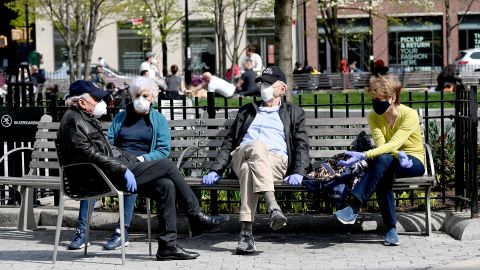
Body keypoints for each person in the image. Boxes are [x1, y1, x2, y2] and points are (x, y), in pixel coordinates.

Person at [58, 80, 229, 260]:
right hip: (99, 176)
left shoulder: (84, 118)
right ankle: (196, 216)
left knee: (165, 185)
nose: (101, 103)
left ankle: (167, 246)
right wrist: (123, 168)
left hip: (109, 170)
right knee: (167, 165)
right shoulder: (74, 121)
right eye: (96, 98)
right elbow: (92, 155)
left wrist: (132, 160)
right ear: (82, 102)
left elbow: (108, 148)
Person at [202, 66, 310, 254]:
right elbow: (229, 141)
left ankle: (246, 233)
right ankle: (272, 205)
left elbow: (301, 144)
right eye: (262, 83)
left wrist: (299, 171)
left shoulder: (293, 112)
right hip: (241, 153)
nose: (264, 87)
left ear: (282, 89)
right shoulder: (247, 111)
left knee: (247, 169)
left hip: (275, 162)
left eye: (269, 84)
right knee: (257, 147)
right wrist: (215, 169)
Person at [334, 73, 425, 246]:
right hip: (390, 159)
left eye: (379, 99)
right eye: (373, 99)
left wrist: (364, 155)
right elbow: (384, 145)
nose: (375, 103)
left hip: (412, 161)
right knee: (383, 173)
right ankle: (390, 229)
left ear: (392, 98)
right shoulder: (374, 116)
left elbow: (395, 143)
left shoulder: (409, 115)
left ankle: (355, 207)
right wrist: (395, 154)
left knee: (382, 163)